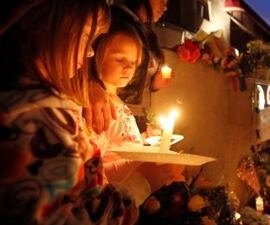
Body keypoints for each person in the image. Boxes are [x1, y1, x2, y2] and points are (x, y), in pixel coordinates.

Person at [0, 1, 138, 224]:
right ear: (43, 22)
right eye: (85, 37)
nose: (90, 52)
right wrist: (138, 190)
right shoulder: (37, 118)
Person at [91, 5, 184, 207]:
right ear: (95, 53)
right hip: (110, 204)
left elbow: (117, 146)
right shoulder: (98, 108)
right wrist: (142, 167)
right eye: (120, 59)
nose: (128, 67)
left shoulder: (117, 102)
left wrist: (146, 142)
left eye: (134, 62)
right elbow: (94, 169)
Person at [86, 0, 172, 134]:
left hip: (130, 111)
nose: (165, 7)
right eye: (162, 0)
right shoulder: (114, 19)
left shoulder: (146, 33)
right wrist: (92, 85)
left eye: (134, 63)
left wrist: (154, 84)